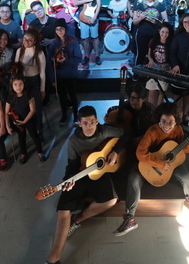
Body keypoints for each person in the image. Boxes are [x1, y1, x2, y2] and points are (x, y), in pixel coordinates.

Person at [45, 105, 128, 264]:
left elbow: (126, 134)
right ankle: (53, 259)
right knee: (63, 209)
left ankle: (76, 220)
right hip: (80, 172)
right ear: (79, 123)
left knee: (111, 200)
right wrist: (69, 179)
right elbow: (71, 164)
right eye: (85, 123)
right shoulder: (73, 141)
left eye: (92, 122)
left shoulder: (105, 131)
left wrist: (115, 151)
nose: (89, 126)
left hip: (100, 172)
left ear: (97, 121)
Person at [113, 102, 189, 237]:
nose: (167, 125)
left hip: (170, 164)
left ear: (176, 122)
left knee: (185, 177)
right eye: (163, 121)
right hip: (148, 162)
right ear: (158, 120)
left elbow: (183, 150)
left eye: (171, 122)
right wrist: (160, 163)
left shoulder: (178, 130)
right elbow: (140, 153)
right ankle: (130, 218)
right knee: (133, 179)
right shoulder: (153, 131)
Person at [47, 18, 83, 126]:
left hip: (71, 74)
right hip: (59, 75)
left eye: (61, 29)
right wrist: (52, 79)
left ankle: (76, 115)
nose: (59, 31)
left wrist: (66, 61)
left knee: (72, 95)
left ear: (66, 29)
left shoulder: (73, 41)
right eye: (57, 29)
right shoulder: (54, 43)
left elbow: (79, 59)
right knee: (62, 97)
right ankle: (64, 115)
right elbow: (49, 61)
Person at [5, 74, 45, 164]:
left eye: (20, 84)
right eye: (15, 84)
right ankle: (23, 153)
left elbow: (32, 110)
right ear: (12, 85)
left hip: (29, 119)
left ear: (24, 84)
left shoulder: (28, 96)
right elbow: (6, 112)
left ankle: (40, 152)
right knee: (21, 137)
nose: (18, 87)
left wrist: (25, 121)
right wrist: (7, 126)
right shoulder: (10, 98)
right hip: (17, 120)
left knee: (34, 136)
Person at [15, 28, 46, 133]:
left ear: (35, 41)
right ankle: (25, 125)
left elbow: (42, 72)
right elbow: (16, 68)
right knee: (23, 105)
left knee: (36, 106)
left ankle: (39, 128)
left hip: (34, 80)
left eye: (29, 40)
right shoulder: (19, 51)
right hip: (22, 81)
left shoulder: (39, 53)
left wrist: (42, 89)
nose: (26, 42)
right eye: (24, 39)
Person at [74, 0, 102, 66]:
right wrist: (87, 0)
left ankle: (97, 56)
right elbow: (75, 2)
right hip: (83, 17)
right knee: (85, 38)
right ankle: (86, 56)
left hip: (93, 16)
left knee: (95, 37)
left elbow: (99, 4)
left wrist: (94, 17)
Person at [132, 0, 168, 67]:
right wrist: (141, 18)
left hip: (156, 35)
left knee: (155, 55)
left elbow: (166, 21)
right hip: (142, 34)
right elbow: (134, 22)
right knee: (140, 54)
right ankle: (137, 71)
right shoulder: (140, 6)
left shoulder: (160, 5)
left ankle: (153, 72)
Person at [145, 23, 174, 106]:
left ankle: (158, 109)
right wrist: (150, 60)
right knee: (151, 91)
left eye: (167, 32)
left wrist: (167, 65)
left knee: (162, 92)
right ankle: (150, 110)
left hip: (164, 69)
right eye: (162, 32)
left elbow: (172, 57)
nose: (164, 34)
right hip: (154, 67)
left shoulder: (171, 43)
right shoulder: (153, 41)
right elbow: (149, 54)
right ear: (159, 31)